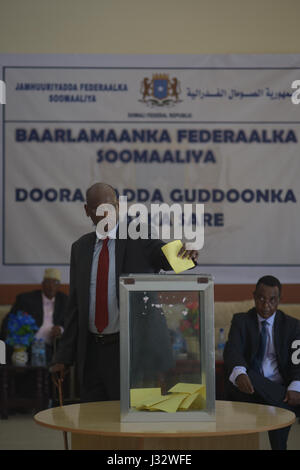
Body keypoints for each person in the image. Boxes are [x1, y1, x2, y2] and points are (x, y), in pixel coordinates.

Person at [50, 182, 198, 402]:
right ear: (87, 211)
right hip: (91, 354)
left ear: (118, 206)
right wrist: (63, 356)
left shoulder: (139, 237)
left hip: (130, 352)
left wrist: (185, 256)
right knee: (93, 424)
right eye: (98, 210)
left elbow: (163, 257)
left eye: (110, 207)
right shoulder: (80, 248)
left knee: (128, 425)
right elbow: (75, 307)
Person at [223, 275, 300, 450]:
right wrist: (240, 373)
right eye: (261, 299)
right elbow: (232, 351)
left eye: (272, 300)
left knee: (277, 402)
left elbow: (298, 360)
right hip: (250, 388)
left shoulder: (292, 326)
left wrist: (296, 386)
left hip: (277, 385)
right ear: (254, 296)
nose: (266, 305)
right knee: (251, 376)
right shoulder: (241, 321)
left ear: (280, 300)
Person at [1, 268, 68, 364]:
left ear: (59, 286)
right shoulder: (26, 299)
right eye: (48, 282)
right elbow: (9, 320)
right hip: (27, 344)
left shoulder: (65, 301)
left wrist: (61, 329)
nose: (51, 286)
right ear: (42, 284)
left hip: (52, 344)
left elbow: (71, 323)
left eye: (55, 283)